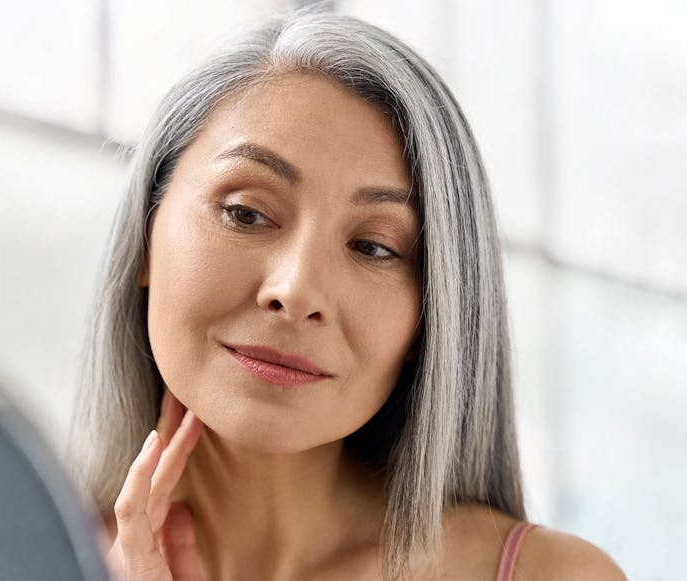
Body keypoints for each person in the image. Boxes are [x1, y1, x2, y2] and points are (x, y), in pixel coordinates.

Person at [68, 9, 625, 581]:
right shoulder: (5, 550)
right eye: (246, 213)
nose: (296, 289)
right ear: (143, 237)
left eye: (375, 247)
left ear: (430, 320)